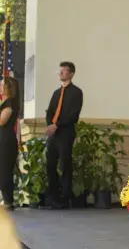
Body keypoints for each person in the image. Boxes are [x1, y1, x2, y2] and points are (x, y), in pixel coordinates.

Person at [45, 62, 83, 209]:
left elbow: (73, 114)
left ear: (71, 74)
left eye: (63, 71)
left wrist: (57, 125)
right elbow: (50, 111)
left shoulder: (76, 93)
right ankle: (53, 196)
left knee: (64, 164)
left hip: (65, 132)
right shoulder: (56, 93)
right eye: (59, 71)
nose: (60, 73)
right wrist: (50, 124)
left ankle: (65, 198)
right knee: (50, 164)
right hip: (53, 133)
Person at [0, 77, 20, 211]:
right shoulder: (5, 101)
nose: (0, 87)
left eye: (2, 85)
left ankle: (8, 201)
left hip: (6, 140)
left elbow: (2, 121)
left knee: (5, 170)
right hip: (2, 138)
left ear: (8, 87)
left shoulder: (10, 102)